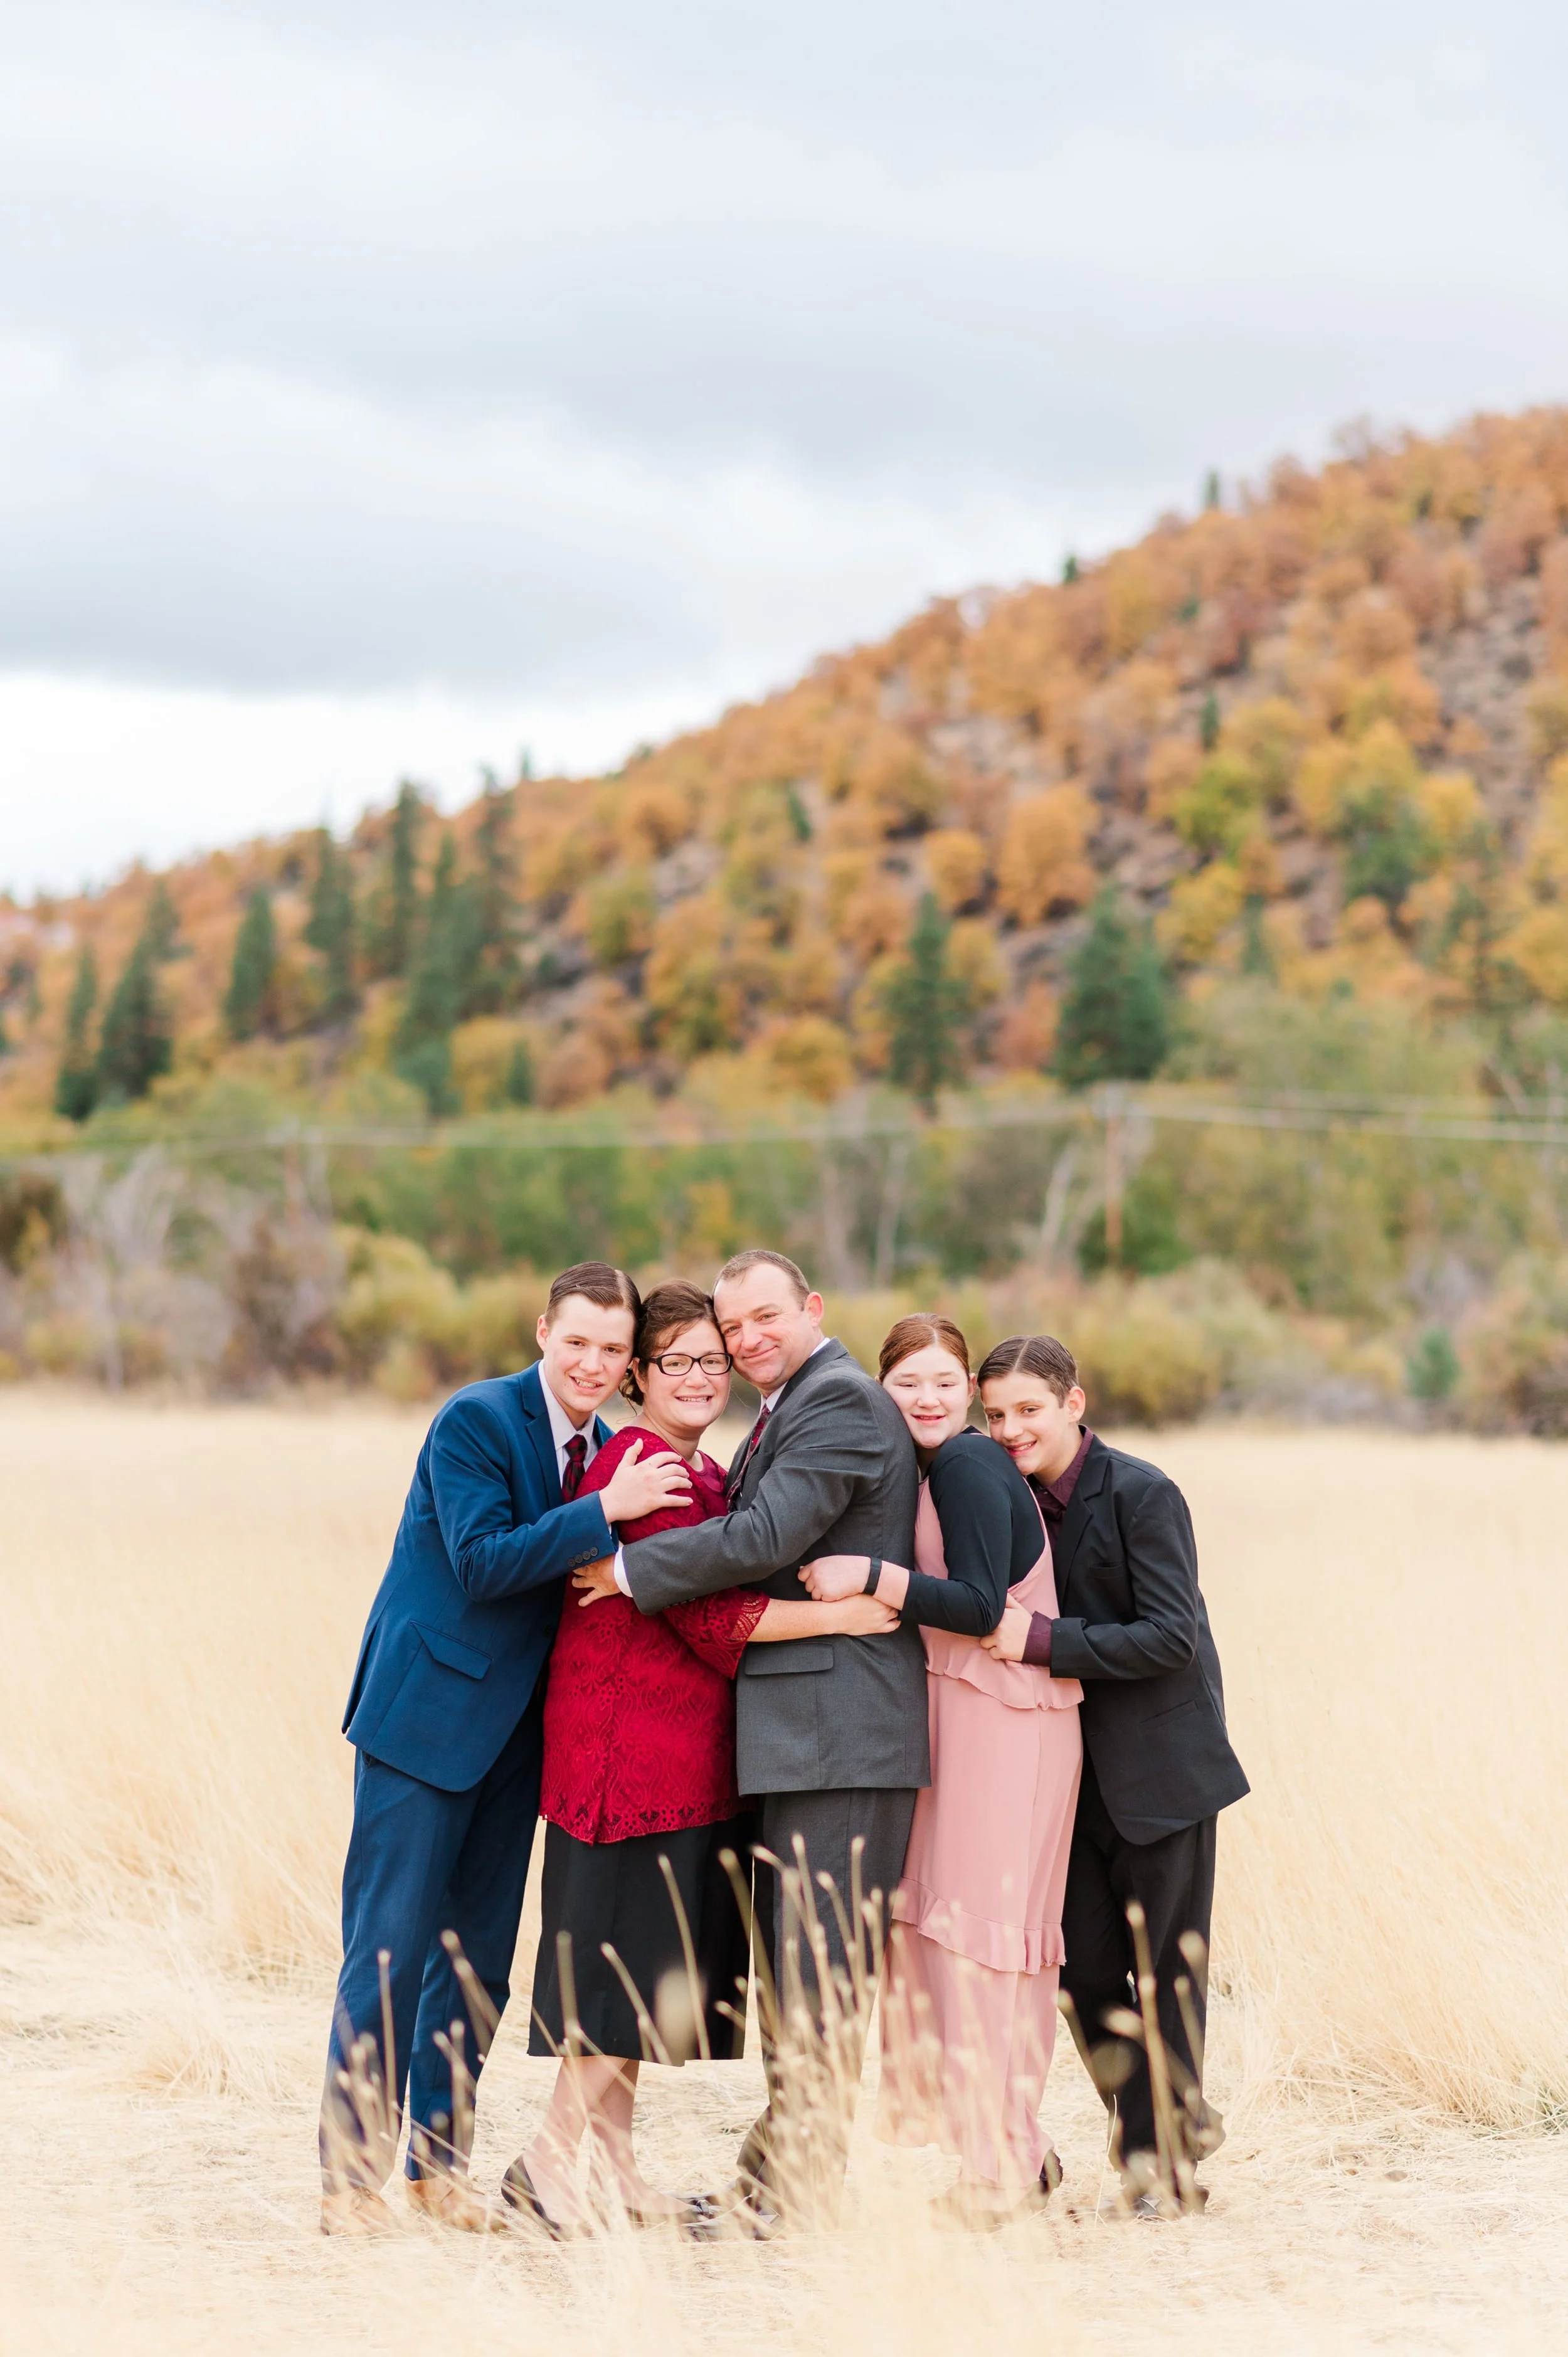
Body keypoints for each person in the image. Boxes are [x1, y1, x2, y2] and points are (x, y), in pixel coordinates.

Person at [502, 1280, 901, 2236]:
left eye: (711, 1360)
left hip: (680, 1763)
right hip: (625, 1759)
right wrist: (841, 1614)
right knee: (614, 1983)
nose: (697, 1376)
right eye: (674, 1360)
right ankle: (546, 2168)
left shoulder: (700, 1470)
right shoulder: (647, 1466)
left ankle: (619, 2170)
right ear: (638, 1376)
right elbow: (709, 1616)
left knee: (635, 1977)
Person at [319, 1261, 693, 2236]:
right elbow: (482, 1562)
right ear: (542, 1331)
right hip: (425, 1719)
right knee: (391, 1948)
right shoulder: (477, 1420)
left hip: (521, 1740)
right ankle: (350, 2183)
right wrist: (607, 1513)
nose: (594, 1363)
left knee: (479, 1958)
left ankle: (436, 2171)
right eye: (579, 1340)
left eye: (615, 1349)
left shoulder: (614, 1447)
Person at [800, 1315, 1083, 2227]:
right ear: (883, 1387)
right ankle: (1008, 2153)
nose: (926, 1397)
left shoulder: (965, 1463)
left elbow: (973, 1602)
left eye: (943, 1380)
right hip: (971, 1716)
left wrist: (868, 1575)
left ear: (966, 1389)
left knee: (984, 1942)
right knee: (967, 1938)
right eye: (907, 1381)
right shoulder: (940, 1466)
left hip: (1006, 1721)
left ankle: (1003, 2165)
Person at [975, 1333, 1249, 2208]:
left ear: (1073, 1403)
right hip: (1064, 1782)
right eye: (998, 1414)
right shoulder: (1003, 1500)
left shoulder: (1143, 1491)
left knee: (1167, 1974)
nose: (1012, 1428)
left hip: (1163, 1772)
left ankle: (1158, 2165)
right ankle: (1174, 2122)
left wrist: (1044, 1642)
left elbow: (1171, 1633)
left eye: (1029, 1409)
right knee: (1082, 1972)